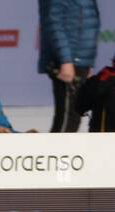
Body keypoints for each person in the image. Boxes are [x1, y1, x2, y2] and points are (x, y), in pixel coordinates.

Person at [39, 0, 101, 132]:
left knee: (75, 115)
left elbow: (89, 24)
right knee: (67, 118)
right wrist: (65, 60)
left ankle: (66, 151)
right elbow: (54, 24)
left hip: (80, 61)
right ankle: (57, 152)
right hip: (68, 61)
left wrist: (88, 62)